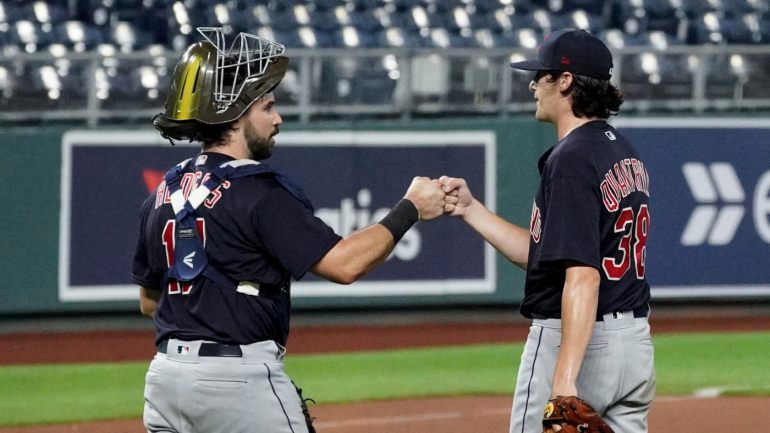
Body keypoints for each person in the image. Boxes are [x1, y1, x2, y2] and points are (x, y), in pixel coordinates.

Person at [132, 28, 445, 433]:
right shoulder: (260, 192)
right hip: (234, 381)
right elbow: (345, 265)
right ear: (235, 115)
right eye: (268, 106)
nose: (277, 118)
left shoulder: (163, 192)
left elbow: (148, 303)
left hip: (163, 382)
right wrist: (411, 209)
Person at [440, 29, 655, 433]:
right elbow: (548, 254)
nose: (533, 84)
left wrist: (563, 383)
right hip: (634, 343)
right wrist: (471, 210)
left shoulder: (572, 157)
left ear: (566, 82)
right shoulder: (622, 150)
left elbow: (583, 277)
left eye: (541, 75)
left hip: (576, 339)